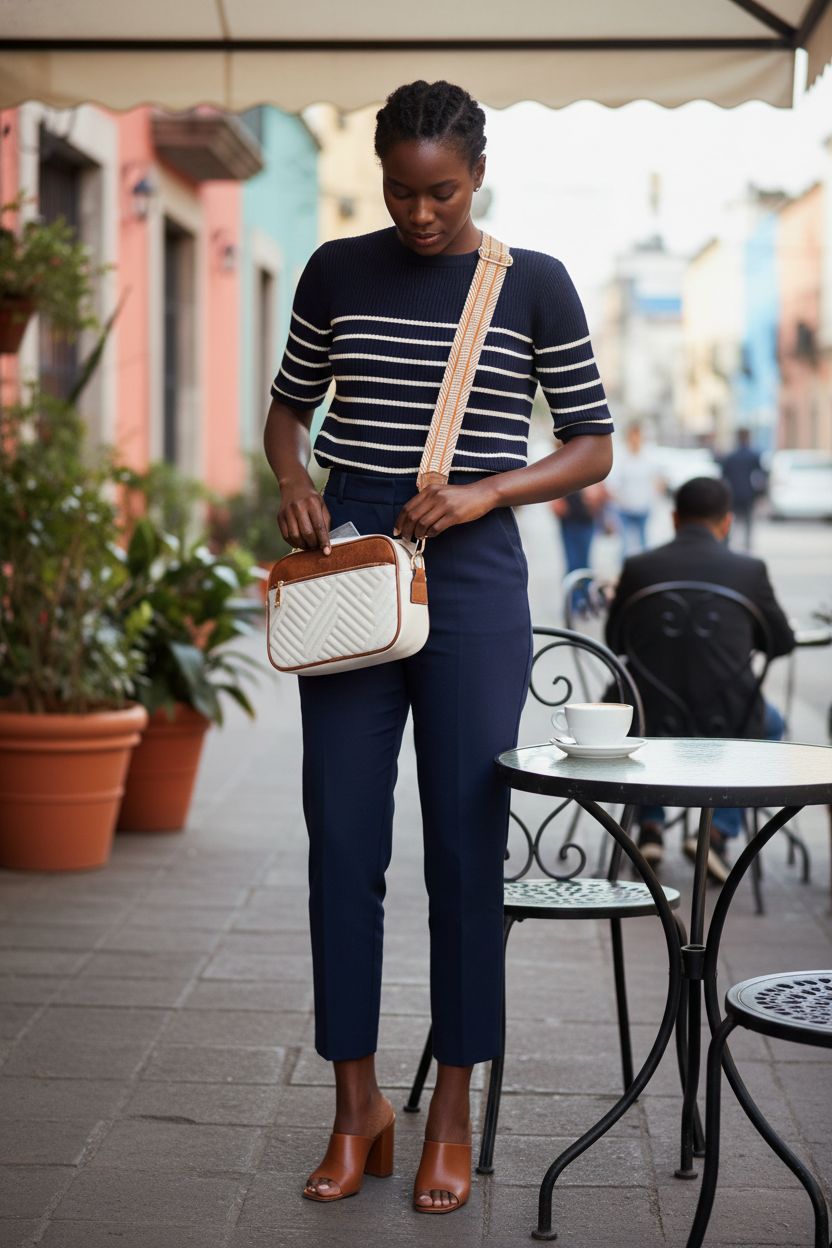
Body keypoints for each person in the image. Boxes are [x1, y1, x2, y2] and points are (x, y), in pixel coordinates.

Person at [263, 80, 613, 1215]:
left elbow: (592, 444)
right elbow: (288, 407)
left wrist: (488, 492)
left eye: (442, 193)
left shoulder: (535, 284)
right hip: (352, 577)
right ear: (379, 177)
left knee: (464, 854)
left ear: (477, 176)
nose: (420, 215)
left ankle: (451, 1108)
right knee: (341, 844)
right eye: (401, 192)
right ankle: (354, 1100)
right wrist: (289, 481)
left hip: (472, 584)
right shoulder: (331, 270)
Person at [605, 476, 795, 881]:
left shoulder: (640, 566)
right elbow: (780, 643)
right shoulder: (749, 569)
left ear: (674, 518)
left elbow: (614, 640)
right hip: (729, 720)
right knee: (771, 723)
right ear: (726, 523)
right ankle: (719, 834)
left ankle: (650, 827)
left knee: (632, 718)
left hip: (648, 720)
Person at [606, 422, 663, 556]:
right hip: (624, 509)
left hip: (643, 508)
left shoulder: (649, 457)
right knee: (625, 547)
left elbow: (658, 480)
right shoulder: (621, 458)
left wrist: (653, 496)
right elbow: (612, 484)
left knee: (644, 545)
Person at [719, 427, 765, 550]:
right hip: (748, 493)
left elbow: (723, 477)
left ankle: (726, 542)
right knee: (748, 520)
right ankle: (747, 544)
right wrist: (760, 493)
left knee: (729, 519)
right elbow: (760, 475)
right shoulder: (753, 456)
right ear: (748, 438)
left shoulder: (730, 456)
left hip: (732, 493)